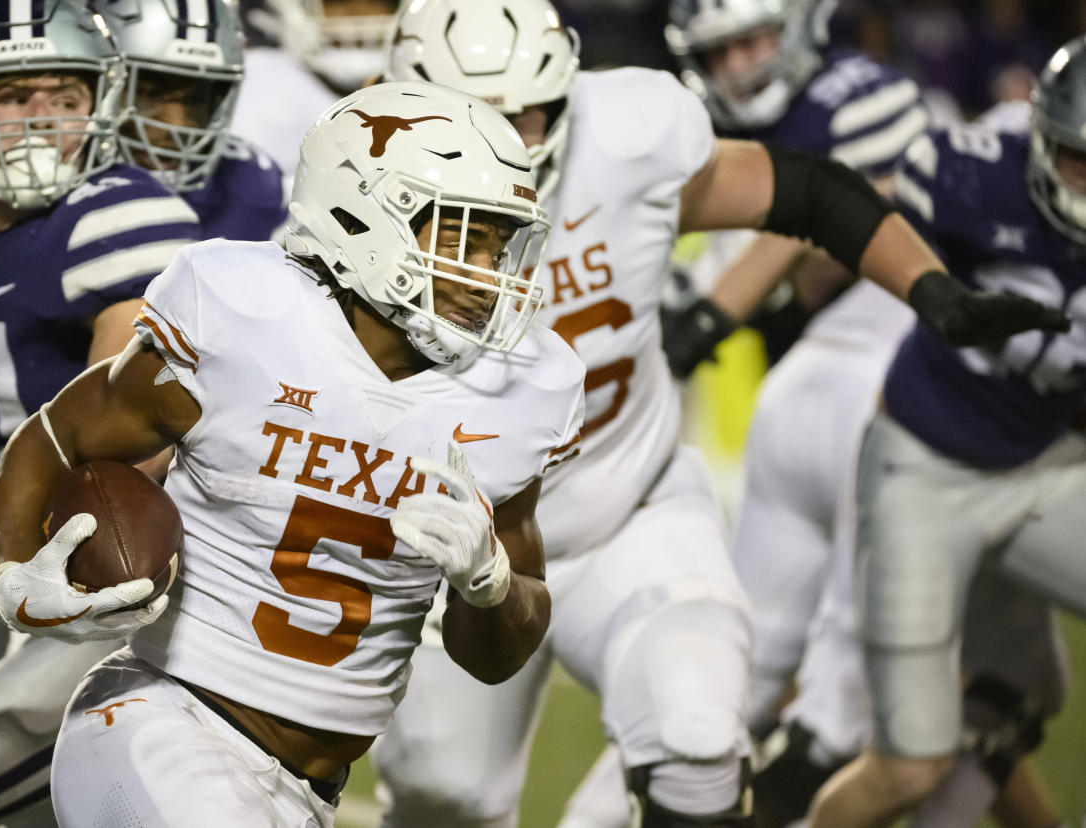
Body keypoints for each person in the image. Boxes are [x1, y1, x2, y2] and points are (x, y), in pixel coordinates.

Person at [368, 1, 1068, 826]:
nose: (518, 139)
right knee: (442, 794)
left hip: (630, 507)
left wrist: (927, 288)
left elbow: (804, 193)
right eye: (487, 116)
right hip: (454, 548)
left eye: (532, 110)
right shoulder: (360, 196)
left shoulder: (624, 134)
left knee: (698, 734)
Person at [0, 78, 586, 827]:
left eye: (501, 244)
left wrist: (489, 584)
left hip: (309, 793)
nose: (488, 276)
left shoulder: (522, 391)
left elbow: (493, 657)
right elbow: (57, 436)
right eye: (465, 236)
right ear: (365, 214)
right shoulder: (245, 318)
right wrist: (12, 567)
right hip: (164, 724)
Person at [0, 1, 289, 825]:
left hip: (85, 529)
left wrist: (14, 544)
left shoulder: (130, 215)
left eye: (62, 96)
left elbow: (129, 436)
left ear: (99, 101)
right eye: (11, 97)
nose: (38, 122)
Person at [651, 1, 1068, 825]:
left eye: (750, 42)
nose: (736, 66)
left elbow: (851, 205)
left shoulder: (858, 97)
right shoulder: (724, 136)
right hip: (905, 424)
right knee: (937, 708)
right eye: (718, 51)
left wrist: (706, 315)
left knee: (962, 702)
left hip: (906, 404)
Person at [805, 34, 1086, 828]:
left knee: (1012, 702)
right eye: (1078, 158)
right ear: (1040, 140)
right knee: (910, 766)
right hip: (923, 471)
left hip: (1046, 463)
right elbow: (843, 207)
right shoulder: (968, 174)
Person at [232, 0, 399, 177]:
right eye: (338, 3)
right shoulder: (257, 83)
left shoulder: (421, 78)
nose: (361, 14)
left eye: (378, 2)